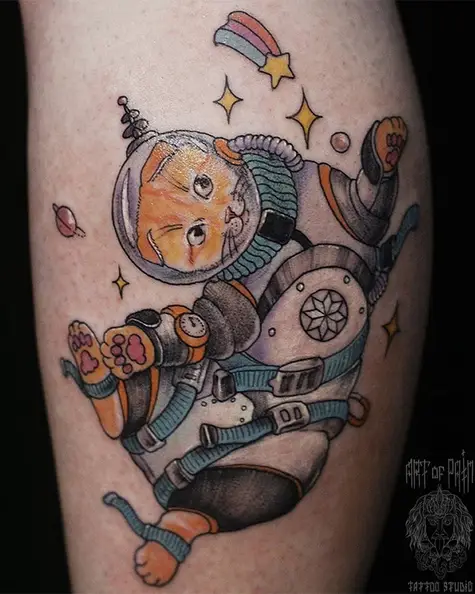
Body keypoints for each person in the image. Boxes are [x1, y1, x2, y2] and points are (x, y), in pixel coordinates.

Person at [20, 1, 431, 591]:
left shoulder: (313, 183)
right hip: (220, 400)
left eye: (203, 184)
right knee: (158, 356)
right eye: (196, 235)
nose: (222, 216)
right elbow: (205, 330)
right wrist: (152, 345)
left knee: (267, 482)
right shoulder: (232, 286)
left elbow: (367, 217)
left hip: (294, 426)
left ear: (225, 152)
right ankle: (112, 390)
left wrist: (378, 169)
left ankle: (183, 524)